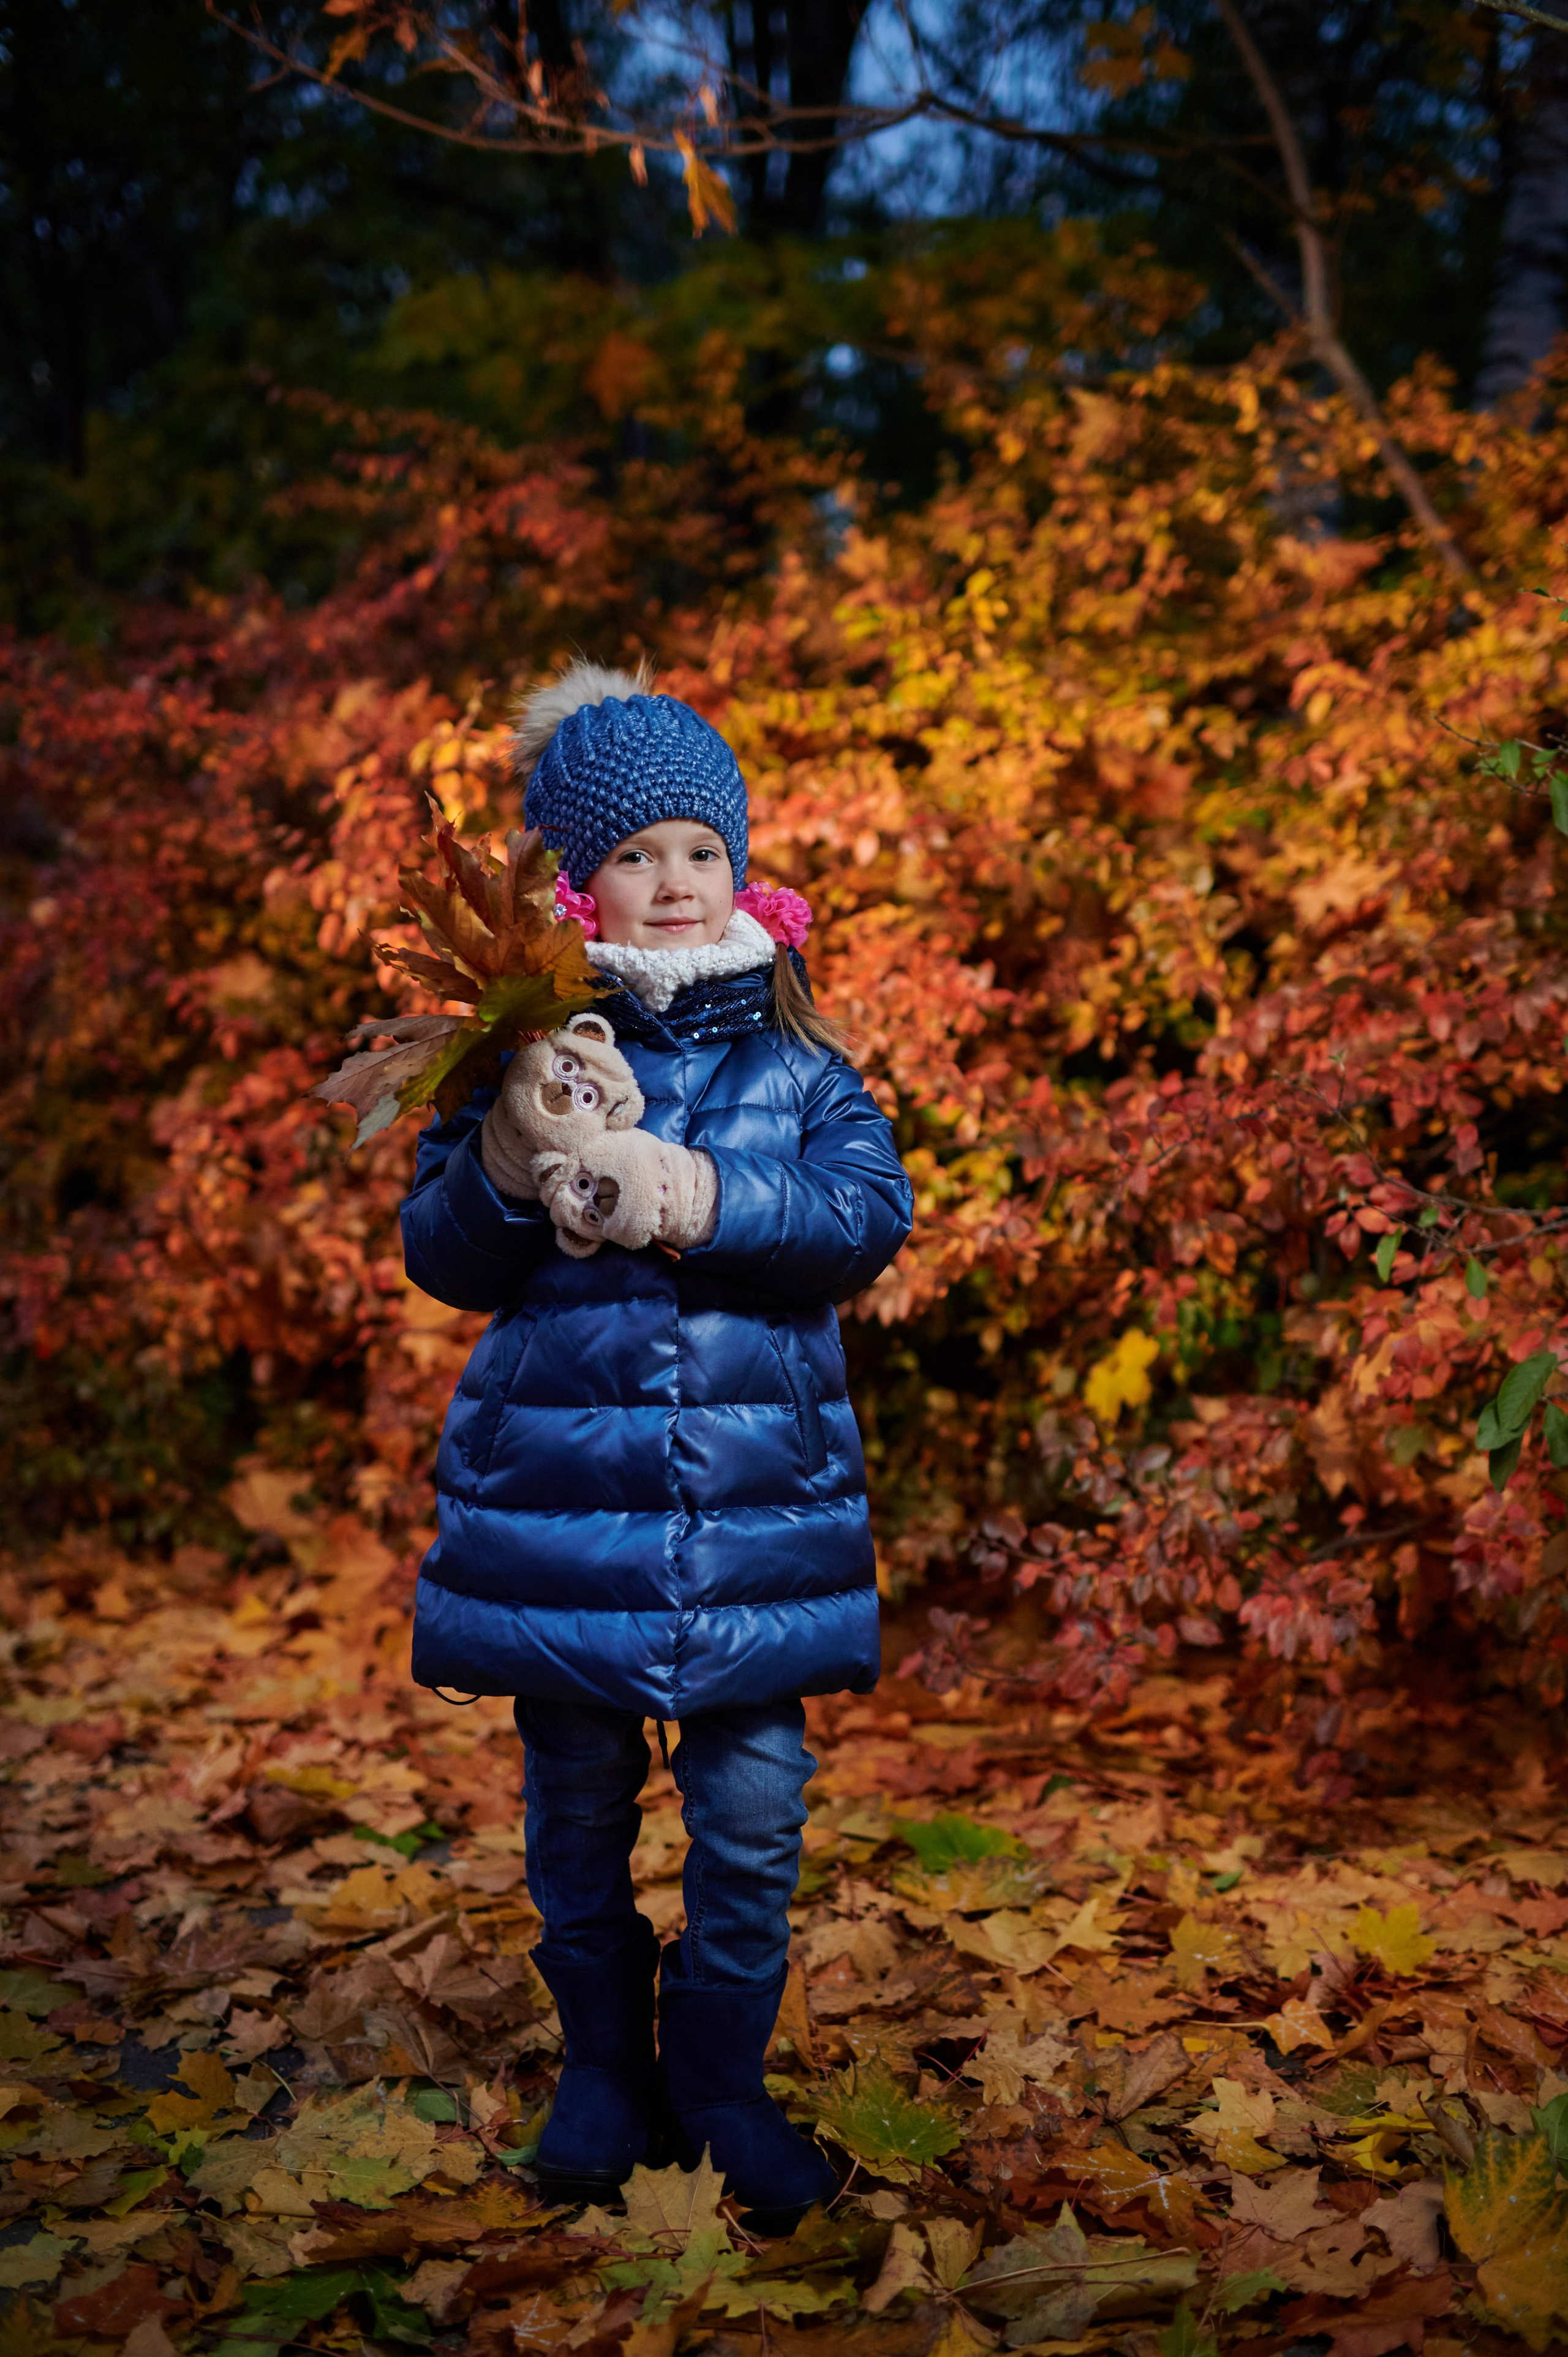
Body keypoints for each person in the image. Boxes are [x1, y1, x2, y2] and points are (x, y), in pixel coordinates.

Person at [400, 662, 913, 2234]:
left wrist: (690, 1193)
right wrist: (507, 1150)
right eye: (635, 854)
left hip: (759, 1529)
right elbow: (444, 1249)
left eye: (700, 847)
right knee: (574, 1818)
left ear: (740, 866)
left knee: (752, 1826)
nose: (672, 880)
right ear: (577, 875)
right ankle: (602, 2073)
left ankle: (720, 2085)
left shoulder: (806, 1069)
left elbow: (859, 1225)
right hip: (565, 1522)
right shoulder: (517, 1049)